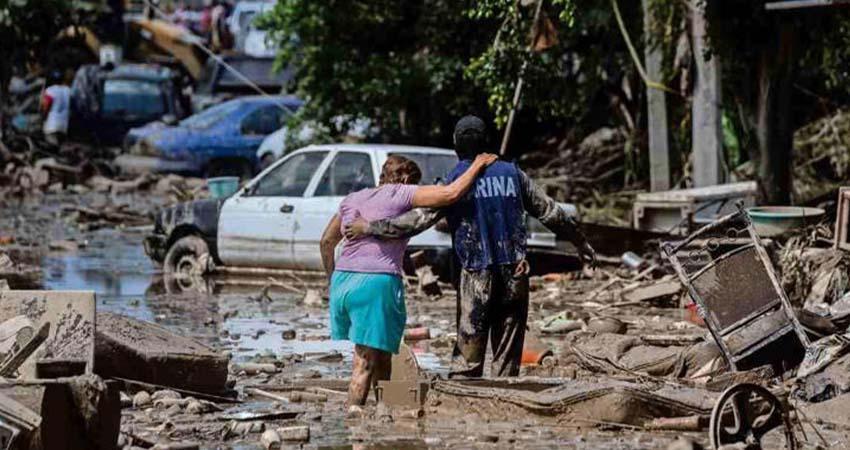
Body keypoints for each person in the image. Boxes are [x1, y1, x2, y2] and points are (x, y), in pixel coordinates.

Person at [344, 115, 596, 378]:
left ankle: (467, 403)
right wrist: (580, 242)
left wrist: (370, 227)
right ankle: (506, 400)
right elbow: (551, 212)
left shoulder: (455, 181)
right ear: (487, 142)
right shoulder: (513, 174)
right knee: (507, 355)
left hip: (475, 274)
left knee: (468, 357)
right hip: (515, 272)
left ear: (456, 145)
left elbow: (415, 222)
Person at [319, 152, 498, 407]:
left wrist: (332, 281)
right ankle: (353, 424)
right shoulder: (401, 193)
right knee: (364, 361)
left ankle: (385, 411)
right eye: (414, 181)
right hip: (376, 283)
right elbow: (450, 194)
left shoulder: (353, 198)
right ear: (404, 178)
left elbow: (326, 242)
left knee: (381, 353)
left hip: (343, 282)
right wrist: (477, 165)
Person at [41, 71, 71, 146]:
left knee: (51, 148)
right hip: (64, 125)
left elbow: (46, 106)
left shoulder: (50, 90)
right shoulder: (68, 90)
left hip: (52, 124)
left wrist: (43, 117)